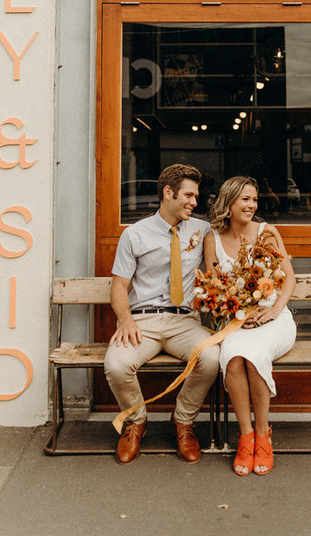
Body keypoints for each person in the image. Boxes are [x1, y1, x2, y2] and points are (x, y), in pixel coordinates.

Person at [104, 163, 219, 465]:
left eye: (196, 196)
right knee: (117, 365)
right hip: (143, 320)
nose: (195, 202)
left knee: (210, 358)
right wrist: (126, 320)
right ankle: (135, 422)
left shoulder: (202, 229)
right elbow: (119, 286)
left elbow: (219, 267)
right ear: (168, 193)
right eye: (189, 195)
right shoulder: (135, 234)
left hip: (185, 321)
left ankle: (183, 421)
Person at [204, 176, 296, 476]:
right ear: (228, 203)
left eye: (254, 199)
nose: (251, 205)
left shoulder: (267, 233)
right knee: (232, 359)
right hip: (236, 321)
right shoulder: (212, 238)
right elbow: (213, 286)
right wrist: (230, 307)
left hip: (273, 318)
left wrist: (273, 312)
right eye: (245, 199)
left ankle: (263, 434)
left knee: (255, 358)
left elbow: (288, 279)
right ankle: (245, 438)